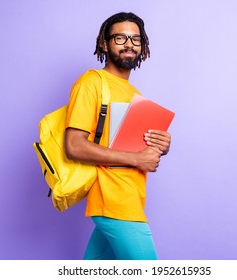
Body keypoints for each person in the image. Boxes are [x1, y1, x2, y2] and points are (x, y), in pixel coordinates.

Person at [64, 12, 171, 260]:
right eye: (120, 38)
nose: (129, 44)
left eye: (136, 39)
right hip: (115, 202)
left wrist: (161, 145)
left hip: (130, 197)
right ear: (104, 43)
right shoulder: (91, 82)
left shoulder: (134, 93)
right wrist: (136, 160)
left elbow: (134, 147)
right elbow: (73, 145)